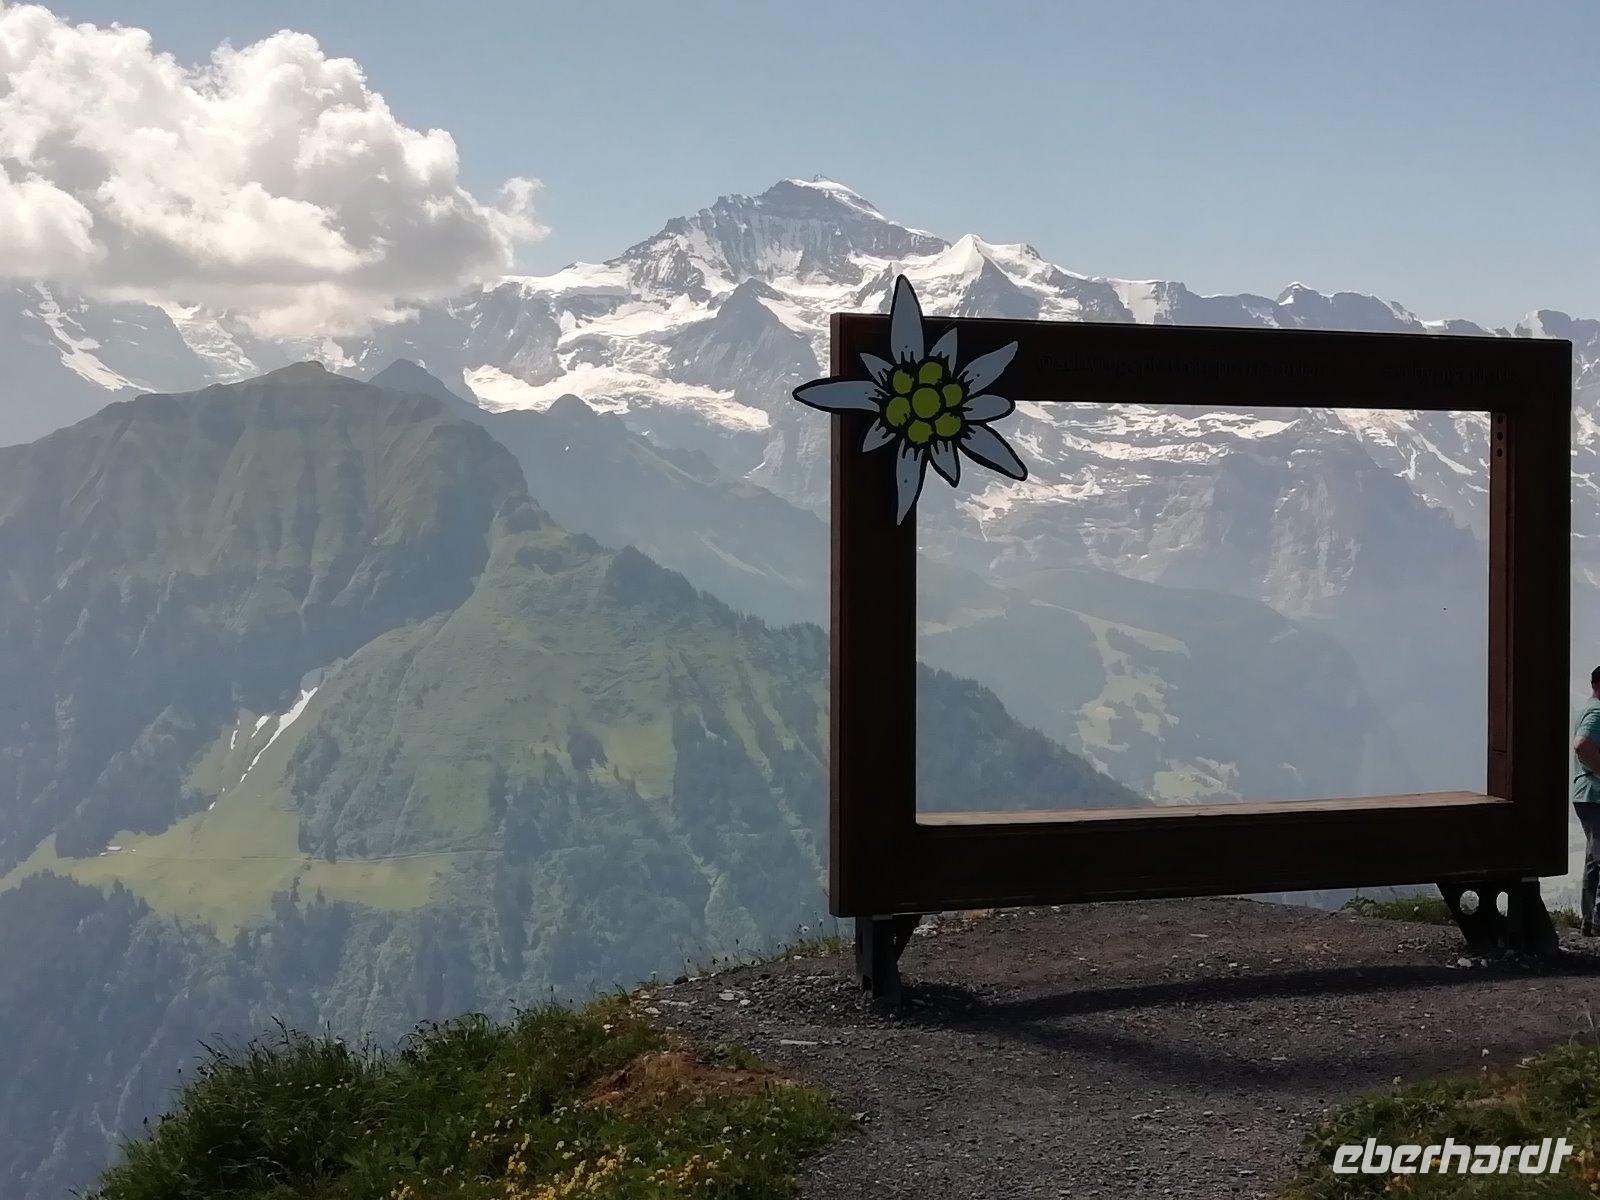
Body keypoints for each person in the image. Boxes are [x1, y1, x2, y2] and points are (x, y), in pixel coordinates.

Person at [1572, 665, 1600, 936]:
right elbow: (1581, 745)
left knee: (1594, 857)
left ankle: (1589, 921)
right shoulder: (1597, 712)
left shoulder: (1587, 708)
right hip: (1594, 794)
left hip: (1585, 794)